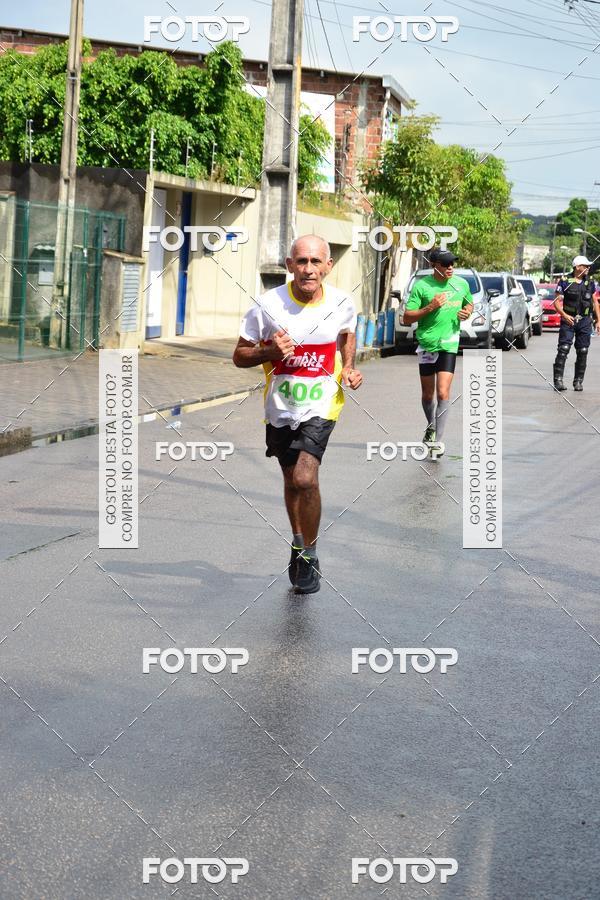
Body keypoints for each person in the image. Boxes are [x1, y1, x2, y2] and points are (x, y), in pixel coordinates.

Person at [232, 235, 362, 594]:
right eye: (301, 261)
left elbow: (346, 334)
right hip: (281, 407)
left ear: (328, 266)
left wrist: (350, 367)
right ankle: (299, 541)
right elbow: (239, 355)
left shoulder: (341, 303)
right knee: (291, 481)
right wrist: (268, 352)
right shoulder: (267, 306)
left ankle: (310, 553)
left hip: (323, 404)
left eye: (316, 262)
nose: (308, 269)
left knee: (305, 477)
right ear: (290, 265)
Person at [402, 248, 474, 456]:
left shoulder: (461, 284)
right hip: (427, 343)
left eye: (452, 263)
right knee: (427, 395)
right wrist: (430, 307)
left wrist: (467, 312)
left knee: (443, 392)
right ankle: (431, 425)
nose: (450, 267)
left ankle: (436, 441)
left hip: (449, 343)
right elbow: (407, 318)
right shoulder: (422, 286)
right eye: (445, 264)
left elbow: (469, 303)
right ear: (434, 265)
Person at [553, 254, 600, 392]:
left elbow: (595, 302)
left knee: (583, 351)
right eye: (585, 266)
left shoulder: (589, 282)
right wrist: (564, 315)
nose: (588, 268)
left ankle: (578, 381)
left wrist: (598, 320)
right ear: (577, 267)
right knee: (563, 349)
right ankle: (558, 380)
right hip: (568, 320)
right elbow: (556, 302)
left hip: (584, 321)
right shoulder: (565, 281)